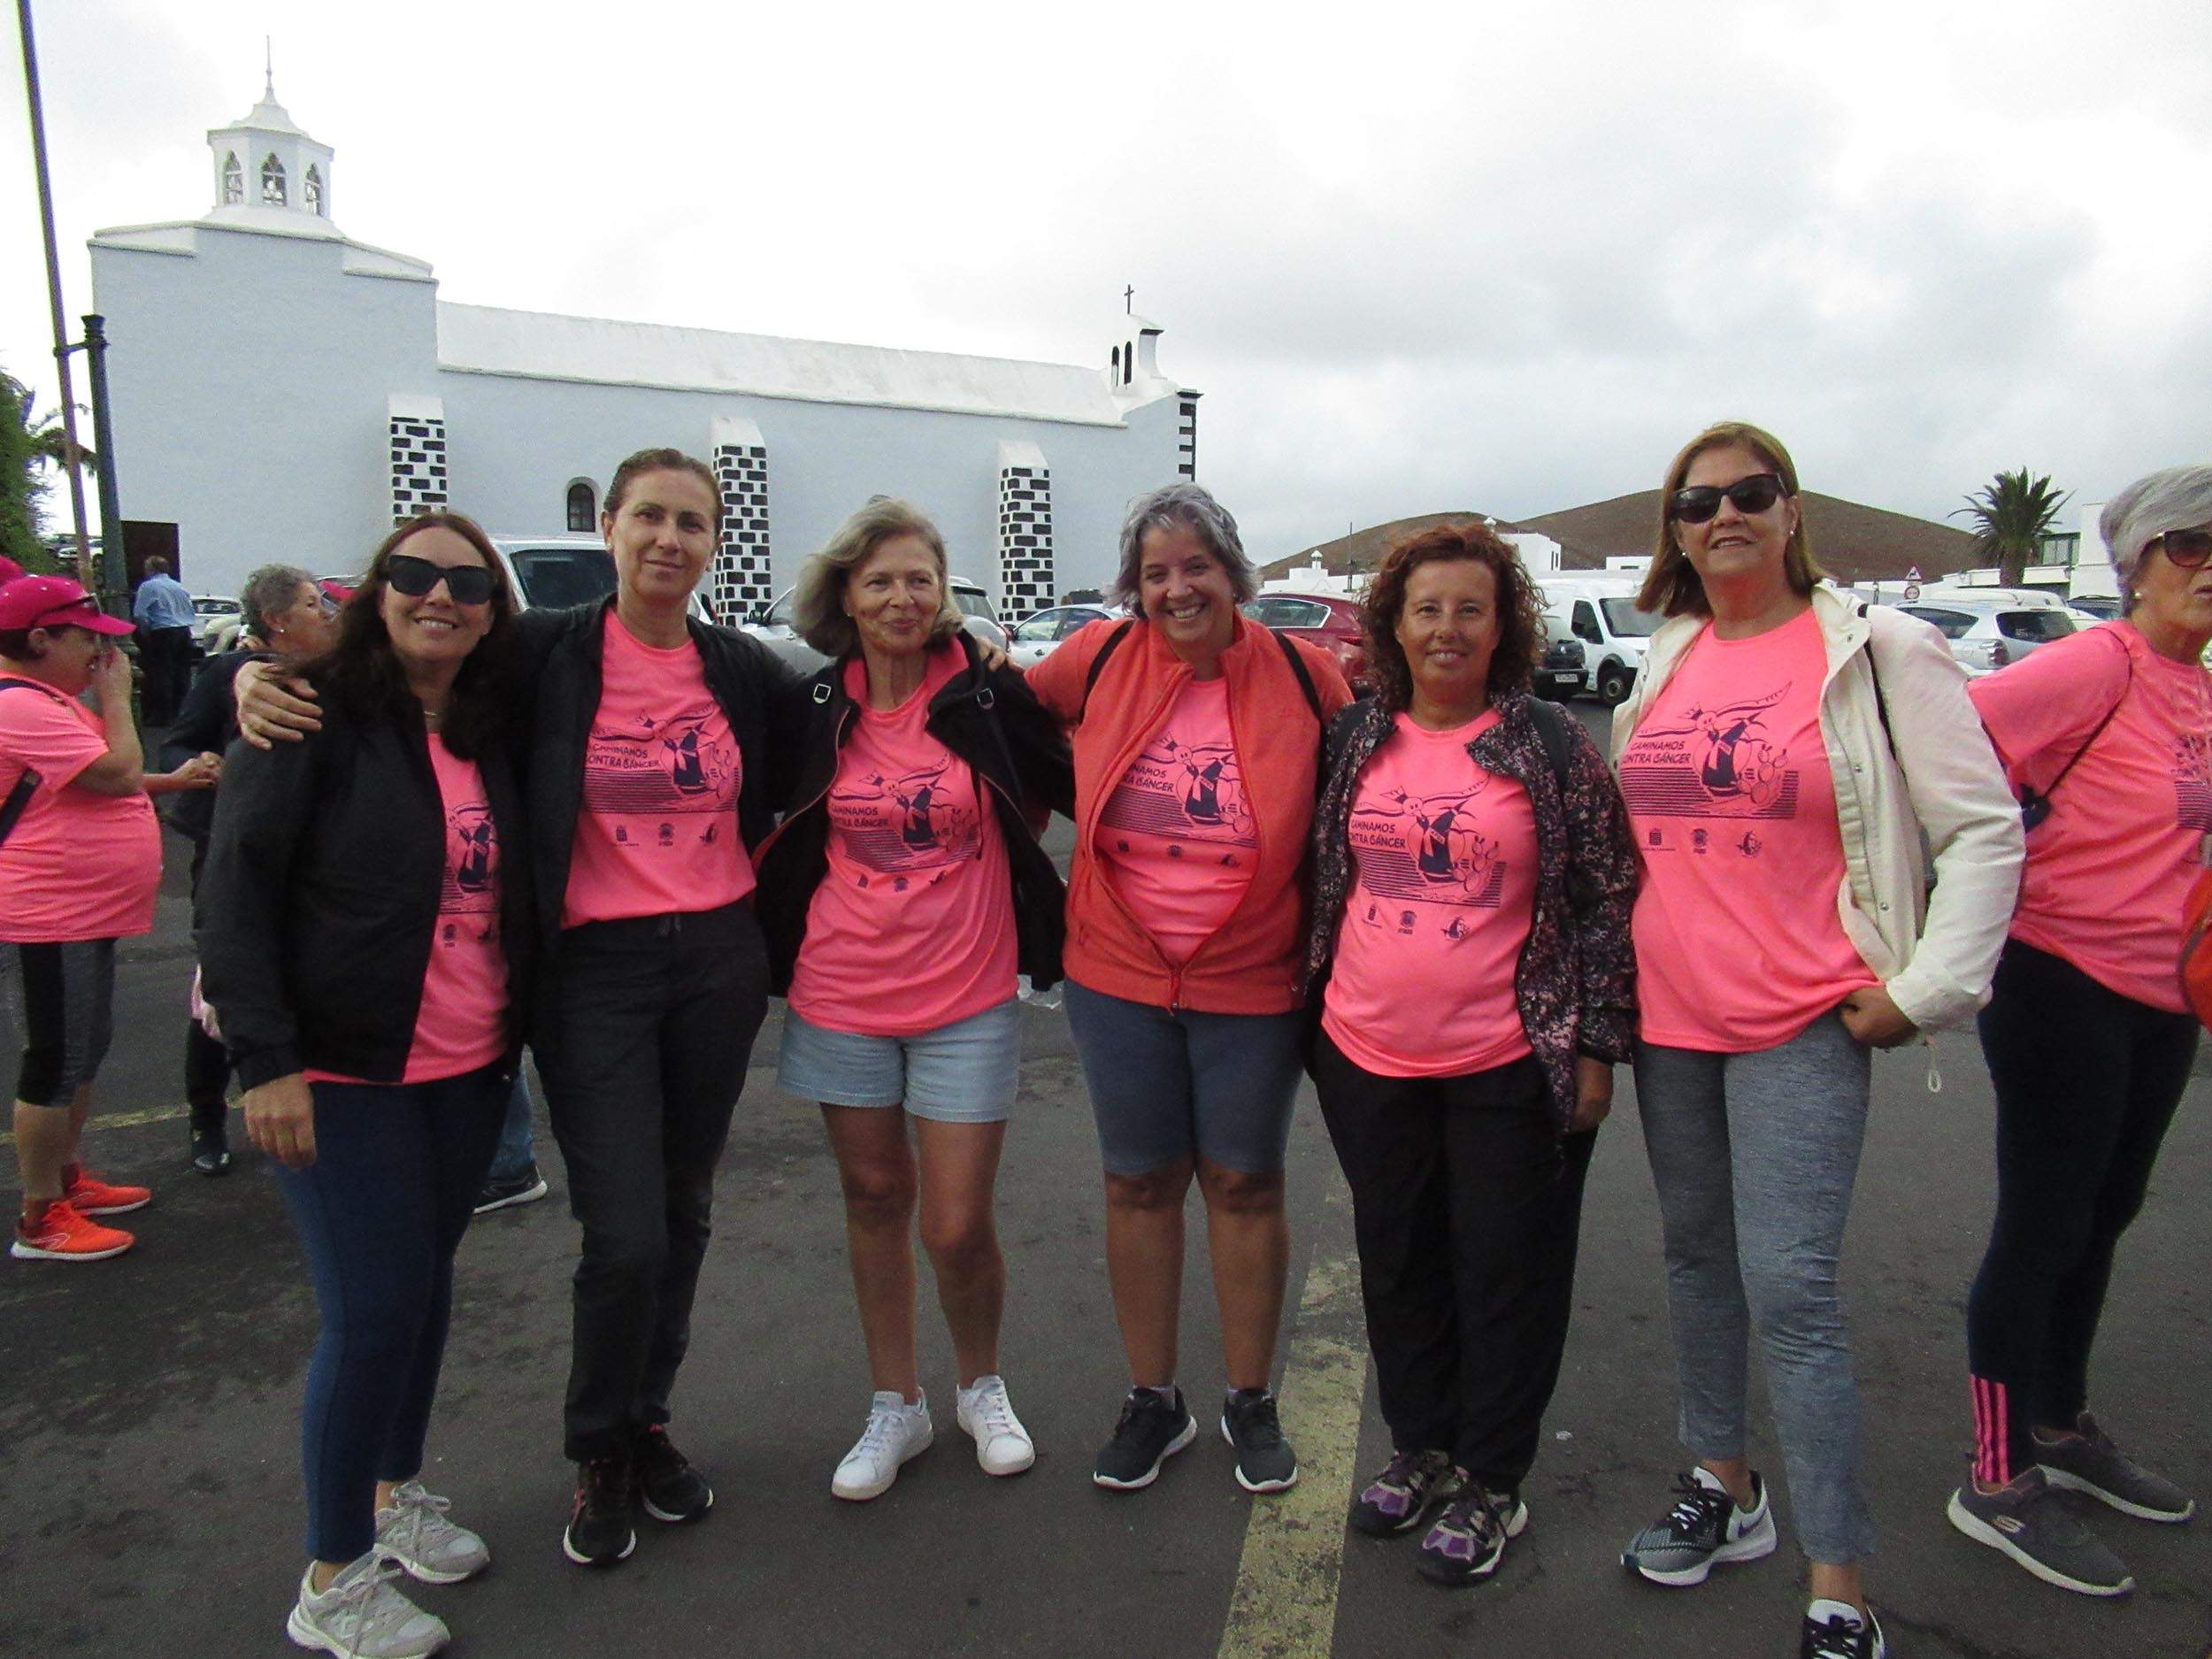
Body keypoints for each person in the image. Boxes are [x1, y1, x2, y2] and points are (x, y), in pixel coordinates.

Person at [237, 449, 796, 1569]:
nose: (668, 540)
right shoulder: (544, 646)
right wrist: (258, 676)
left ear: (715, 541)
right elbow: (398, 660)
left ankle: (646, 1424)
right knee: (625, 1230)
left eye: (693, 522)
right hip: (594, 971)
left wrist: (963, 651)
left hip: (718, 965)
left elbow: (850, 714)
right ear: (613, 528)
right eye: (649, 517)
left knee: (681, 1215)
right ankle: (597, 1442)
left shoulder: (740, 667)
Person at [1607, 423, 2023, 1659]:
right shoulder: (1668, 649)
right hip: (1669, 1017)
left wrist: (1931, 988)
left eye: (1753, 492)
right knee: (1695, 1260)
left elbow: (1986, 829)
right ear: (1675, 529)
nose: (1725, 512)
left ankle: (1838, 1575)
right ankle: (1724, 1483)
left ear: (1793, 513)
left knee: (1790, 1286)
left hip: (1801, 1015)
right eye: (1699, 499)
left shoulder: (1880, 648)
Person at [201, 511, 531, 1659]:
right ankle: (333, 1575)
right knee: (372, 1309)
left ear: (495, 606)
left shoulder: (495, 723)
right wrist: (266, 1060)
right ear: (373, 590)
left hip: (463, 1063)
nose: (439, 594)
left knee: (423, 1289)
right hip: (340, 1070)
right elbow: (233, 890)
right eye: (414, 573)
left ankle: (393, 1494)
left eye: (467, 580)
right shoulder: (307, 713)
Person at [1302, 521, 1639, 1585]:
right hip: (1365, 1052)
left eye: (1470, 609)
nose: (1447, 629)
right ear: (1393, 625)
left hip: (1506, 1059)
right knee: (1398, 1257)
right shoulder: (1355, 737)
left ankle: (1493, 1479)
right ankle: (1422, 1445)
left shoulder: (1543, 741)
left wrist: (1594, 1048)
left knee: (1505, 1271)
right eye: (1427, 609)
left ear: (1504, 625)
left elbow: (1604, 895)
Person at [1025, 482, 1352, 1494]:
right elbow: (996, 731)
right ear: (1134, 588)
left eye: (1196, 567)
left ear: (1234, 576)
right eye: (1156, 573)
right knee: (1137, 1180)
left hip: (1251, 976)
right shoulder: (1100, 659)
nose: (1177, 589)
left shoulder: (1307, 677)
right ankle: (1152, 1399)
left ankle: (1249, 1399)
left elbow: (1375, 788)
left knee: (1245, 1183)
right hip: (1116, 975)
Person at [754, 498, 1071, 1501]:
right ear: (845, 593)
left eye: (919, 579)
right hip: (839, 989)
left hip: (966, 994)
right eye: (880, 579)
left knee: (955, 1223)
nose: (901, 596)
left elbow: (1084, 764)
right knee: (876, 1200)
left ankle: (981, 1384)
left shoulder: (983, 695)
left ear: (943, 596)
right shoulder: (811, 706)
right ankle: (896, 1403)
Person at [1946, 464, 2212, 1596]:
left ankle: (2058, 1423)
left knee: (2107, 1211)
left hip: (2167, 993)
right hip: (2059, 977)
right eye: (2190, 544)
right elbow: (1949, 755)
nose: (2209, 568)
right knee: (2045, 1221)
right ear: (2136, 562)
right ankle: (1996, 1479)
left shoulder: (2197, 685)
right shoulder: (2092, 664)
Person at [4, 576, 217, 1263]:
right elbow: (120, 770)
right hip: (47, 912)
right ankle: (41, 1215)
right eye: (89, 640)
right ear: (40, 639)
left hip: (81, 910)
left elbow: (97, 775)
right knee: (55, 1060)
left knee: (82, 1050)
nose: (102, 655)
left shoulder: (45, 701)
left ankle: (67, 1179)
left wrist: (177, 780)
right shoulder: (20, 704)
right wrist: (119, 700)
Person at [163, 563, 337, 1173]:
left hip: (302, 852)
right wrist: (209, 762)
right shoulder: (227, 673)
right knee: (218, 993)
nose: (326, 614)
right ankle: (206, 1117)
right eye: (314, 604)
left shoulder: (326, 676)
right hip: (230, 851)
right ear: (277, 620)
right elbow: (175, 744)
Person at [131, 554, 198, 724]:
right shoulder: (179, 587)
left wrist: (145, 635)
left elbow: (140, 614)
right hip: (184, 631)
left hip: (163, 631)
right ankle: (183, 712)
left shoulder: (148, 586)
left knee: (162, 673)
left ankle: (163, 715)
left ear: (151, 569)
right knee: (183, 673)